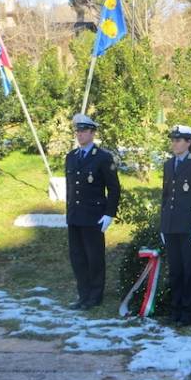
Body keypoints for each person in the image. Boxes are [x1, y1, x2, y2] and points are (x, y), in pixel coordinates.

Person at [65, 114, 121, 310]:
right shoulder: (71, 157)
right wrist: (69, 213)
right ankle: (83, 295)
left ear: (92, 133)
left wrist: (109, 213)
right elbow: (70, 188)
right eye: (77, 132)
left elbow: (114, 188)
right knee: (78, 258)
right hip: (75, 216)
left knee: (94, 258)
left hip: (93, 216)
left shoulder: (103, 157)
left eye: (83, 131)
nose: (79, 135)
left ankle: (95, 296)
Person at [160, 125, 191, 326]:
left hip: (189, 226)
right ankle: (175, 310)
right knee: (175, 270)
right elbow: (165, 198)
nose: (174, 143)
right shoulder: (168, 164)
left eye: (179, 140)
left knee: (189, 269)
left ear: (189, 142)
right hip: (171, 225)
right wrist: (163, 225)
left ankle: (188, 313)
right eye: (173, 140)